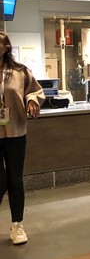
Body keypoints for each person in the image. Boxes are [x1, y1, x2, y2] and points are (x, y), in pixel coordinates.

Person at [0, 32, 45, 245]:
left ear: (6, 47)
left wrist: (32, 100)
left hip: (15, 132)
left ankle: (17, 225)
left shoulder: (20, 72)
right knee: (1, 180)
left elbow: (35, 91)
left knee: (15, 180)